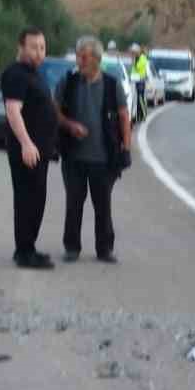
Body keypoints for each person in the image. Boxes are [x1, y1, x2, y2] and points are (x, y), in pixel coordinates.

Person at [57, 35, 131, 263]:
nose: (79, 60)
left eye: (84, 56)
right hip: (73, 157)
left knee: (103, 206)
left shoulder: (112, 84)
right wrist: (70, 125)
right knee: (73, 204)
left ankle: (104, 249)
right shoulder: (67, 83)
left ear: (97, 59)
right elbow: (55, 111)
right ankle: (72, 247)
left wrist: (125, 148)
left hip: (103, 158)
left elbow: (123, 116)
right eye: (78, 55)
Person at [1, 26, 59, 269]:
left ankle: (27, 248)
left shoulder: (33, 73)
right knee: (28, 200)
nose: (39, 52)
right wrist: (26, 143)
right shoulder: (16, 74)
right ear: (21, 47)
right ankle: (25, 252)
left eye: (42, 47)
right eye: (34, 47)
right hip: (27, 151)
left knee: (36, 199)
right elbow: (13, 111)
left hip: (39, 150)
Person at [130, 43, 150, 121]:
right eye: (132, 52)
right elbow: (132, 70)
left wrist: (134, 61)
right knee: (134, 99)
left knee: (140, 98)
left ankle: (143, 115)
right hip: (134, 80)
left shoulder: (143, 58)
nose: (132, 53)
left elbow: (138, 67)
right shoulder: (135, 58)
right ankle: (137, 115)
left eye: (134, 52)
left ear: (137, 51)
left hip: (141, 81)